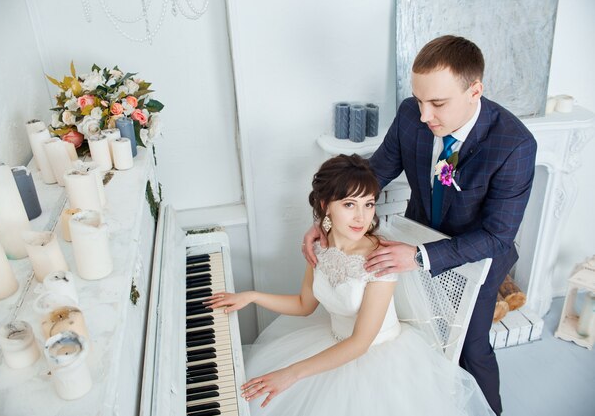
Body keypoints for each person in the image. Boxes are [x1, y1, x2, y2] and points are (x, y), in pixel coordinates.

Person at [303, 35, 537, 415]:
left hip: (477, 256)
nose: (424, 115)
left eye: (438, 103)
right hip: (415, 236)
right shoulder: (412, 114)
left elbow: (497, 235)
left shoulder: (514, 144)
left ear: (474, 90)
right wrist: (325, 220)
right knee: (415, 334)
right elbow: (373, 175)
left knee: (471, 345)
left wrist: (421, 256)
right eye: (419, 100)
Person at [208, 154, 495, 416]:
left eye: (368, 203)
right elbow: (304, 305)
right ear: (325, 206)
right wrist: (252, 296)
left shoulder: (380, 259)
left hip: (376, 359)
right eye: (349, 205)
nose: (362, 217)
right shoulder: (320, 245)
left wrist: (292, 373)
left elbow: (359, 344)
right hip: (330, 342)